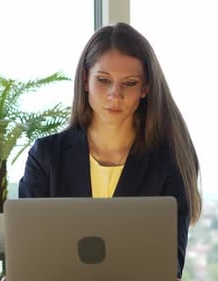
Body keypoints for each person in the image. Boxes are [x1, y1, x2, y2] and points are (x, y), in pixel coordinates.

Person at [18, 22, 202, 280]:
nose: (115, 95)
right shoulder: (46, 156)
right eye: (103, 80)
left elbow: (169, 268)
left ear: (145, 88)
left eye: (129, 83)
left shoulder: (170, 162)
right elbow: (30, 256)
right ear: (85, 80)